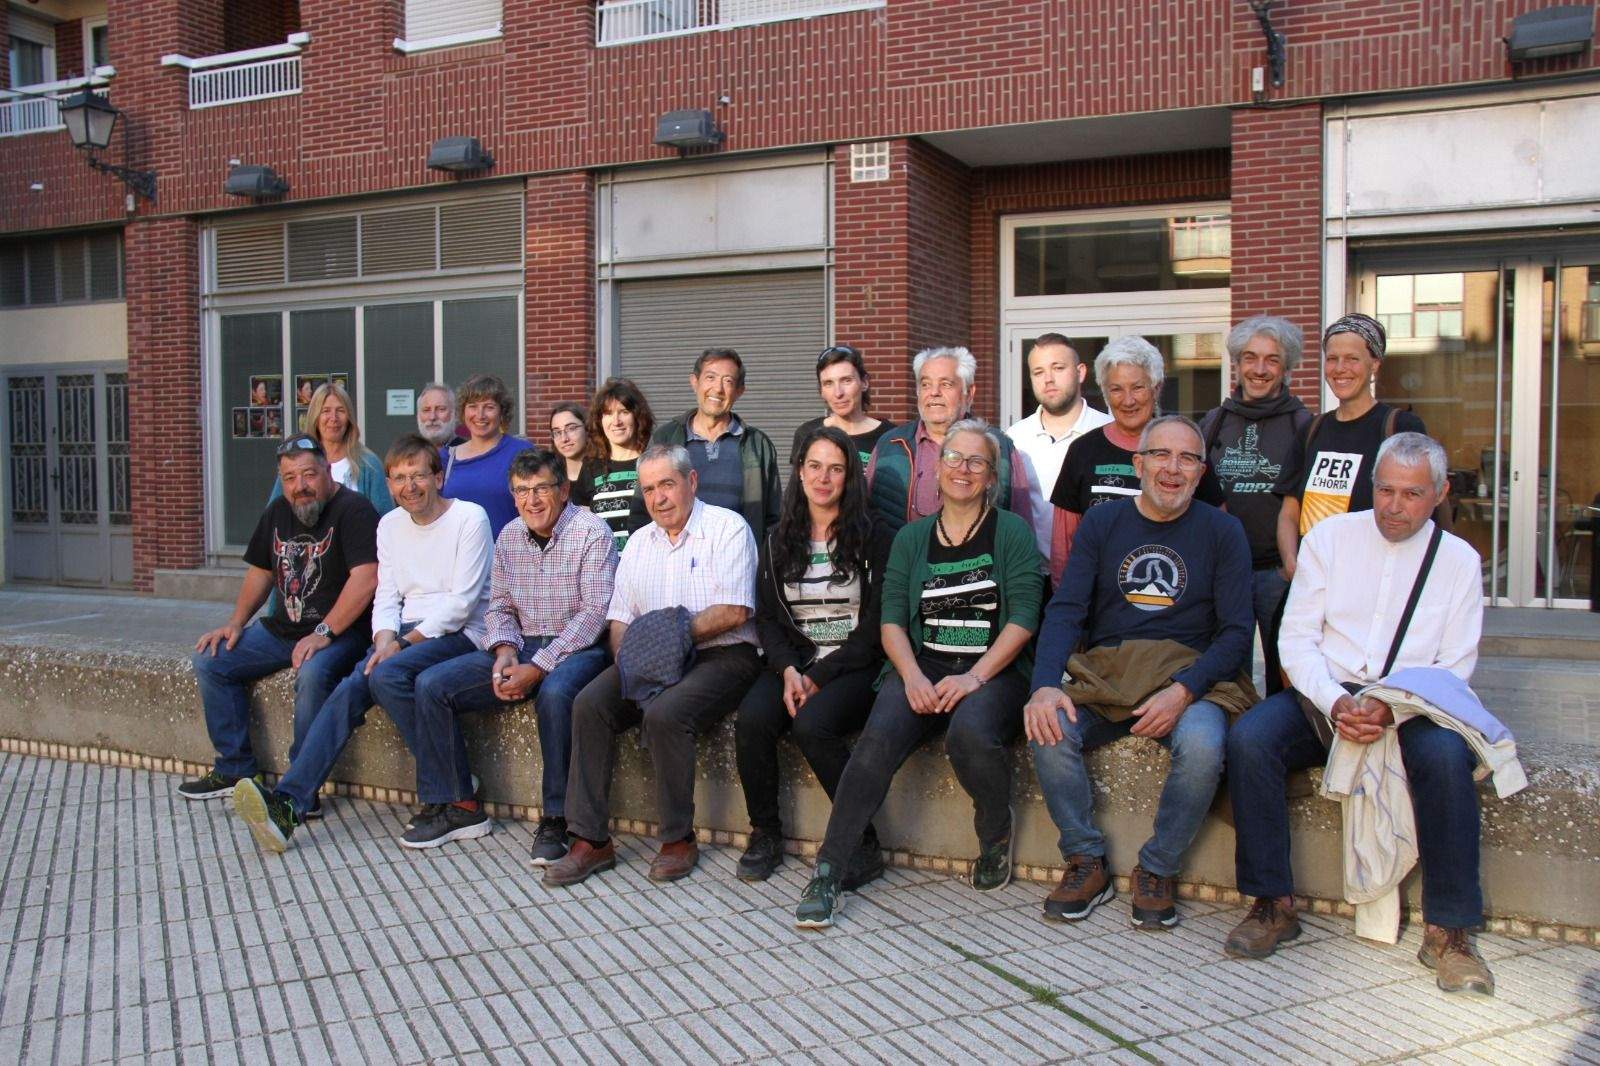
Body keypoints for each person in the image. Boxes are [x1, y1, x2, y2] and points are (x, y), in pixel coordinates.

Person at [1226, 433, 1494, 995]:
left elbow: (1454, 666)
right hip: (1330, 696)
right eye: (1385, 490)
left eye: (1412, 494)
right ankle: (1272, 902)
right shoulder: (1330, 537)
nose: (1394, 507)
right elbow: (1296, 640)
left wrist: (1390, 710)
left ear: (1440, 492)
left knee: (1447, 758)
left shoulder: (1460, 561)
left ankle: (1449, 930)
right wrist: (1337, 701)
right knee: (1252, 738)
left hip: (1413, 704)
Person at [795, 420, 1043, 928]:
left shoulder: (1010, 531)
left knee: (970, 734)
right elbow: (890, 620)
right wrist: (909, 677)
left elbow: (1023, 618)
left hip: (992, 670)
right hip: (921, 665)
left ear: (992, 476)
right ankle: (829, 869)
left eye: (977, 461)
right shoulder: (911, 538)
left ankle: (994, 833)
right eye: (954, 458)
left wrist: (975, 678)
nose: (963, 470)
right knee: (875, 743)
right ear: (937, 468)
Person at [1025, 414, 1253, 931]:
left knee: (1202, 746)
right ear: (1139, 464)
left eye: (1187, 458)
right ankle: (1086, 860)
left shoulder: (1223, 531)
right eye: (1160, 455)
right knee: (1048, 727)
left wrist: (1184, 690)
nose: (1172, 469)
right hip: (1109, 677)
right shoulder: (1103, 524)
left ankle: (1158, 867)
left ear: (1200, 472)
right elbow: (1066, 610)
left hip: (1192, 681)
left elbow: (1237, 633)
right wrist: (1042, 684)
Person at [229, 435, 495, 852]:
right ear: (388, 485)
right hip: (405, 632)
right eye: (400, 478)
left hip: (463, 633)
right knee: (353, 686)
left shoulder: (469, 519)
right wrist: (385, 638)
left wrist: (400, 646)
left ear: (438, 477)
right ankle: (288, 805)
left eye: (419, 476)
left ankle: (456, 791)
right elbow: (386, 596)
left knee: (384, 675)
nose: (410, 486)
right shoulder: (389, 525)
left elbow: (462, 604)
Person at [546, 444, 762, 886]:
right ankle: (590, 839)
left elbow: (735, 611)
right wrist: (636, 665)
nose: (659, 498)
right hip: (651, 657)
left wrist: (668, 640)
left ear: (692, 482)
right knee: (589, 703)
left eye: (668, 484)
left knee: (667, 713)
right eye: (649, 490)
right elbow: (621, 621)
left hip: (724, 655)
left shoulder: (728, 528)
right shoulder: (639, 544)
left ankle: (677, 839)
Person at [406, 448, 617, 860]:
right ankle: (457, 803)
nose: (532, 500)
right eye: (522, 491)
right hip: (521, 645)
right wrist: (504, 651)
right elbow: (498, 607)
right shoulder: (509, 535)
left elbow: (595, 614)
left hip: (580, 648)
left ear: (564, 490)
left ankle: (557, 820)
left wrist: (537, 667)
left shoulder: (592, 532)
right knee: (432, 685)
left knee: (556, 696)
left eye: (541, 488)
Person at [734, 426, 894, 883]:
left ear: (850, 476)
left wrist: (819, 677)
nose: (824, 478)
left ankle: (861, 841)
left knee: (813, 724)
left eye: (836, 468)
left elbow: (877, 626)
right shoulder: (775, 539)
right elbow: (767, 617)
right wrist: (787, 669)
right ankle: (765, 832)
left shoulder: (874, 537)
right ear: (800, 472)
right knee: (753, 719)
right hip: (795, 661)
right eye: (814, 466)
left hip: (854, 664)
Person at [180, 436, 379, 801]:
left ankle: (300, 788)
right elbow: (261, 572)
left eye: (308, 475)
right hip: (282, 629)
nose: (300, 486)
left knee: (313, 673)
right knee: (212, 660)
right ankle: (235, 770)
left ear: (326, 470)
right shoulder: (278, 512)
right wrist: (236, 622)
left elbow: (366, 578)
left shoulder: (355, 510)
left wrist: (324, 632)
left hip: (342, 633)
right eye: (289, 478)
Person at [1049, 336, 1224, 583]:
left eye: (1138, 387)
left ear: (1157, 387)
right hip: (1100, 604)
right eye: (1116, 389)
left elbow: (1218, 530)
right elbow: (1063, 542)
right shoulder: (1083, 450)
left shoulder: (1186, 447)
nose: (1128, 400)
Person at [1274, 313, 1439, 576]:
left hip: (1375, 579)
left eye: (1352, 358)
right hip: (1315, 577)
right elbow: (1290, 511)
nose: (1340, 368)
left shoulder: (1400, 427)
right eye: (1332, 358)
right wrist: (1292, 562)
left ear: (1374, 364)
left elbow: (1422, 508)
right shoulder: (1311, 430)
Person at [1199, 317, 1311, 695]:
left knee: (1287, 671)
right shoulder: (1214, 422)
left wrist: (1292, 567)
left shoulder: (1305, 425)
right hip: (1225, 572)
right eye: (1250, 358)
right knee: (1229, 674)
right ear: (1237, 362)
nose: (1259, 370)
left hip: (1278, 575)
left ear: (1286, 367)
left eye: (1271, 360)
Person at [865, 346, 1033, 536]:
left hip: (978, 564)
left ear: (969, 393)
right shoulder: (890, 444)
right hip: (900, 563)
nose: (934, 392)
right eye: (925, 384)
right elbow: (865, 517)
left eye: (945, 384)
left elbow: (1022, 524)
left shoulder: (1000, 447)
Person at [641, 347, 781, 538]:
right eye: (710, 378)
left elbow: (773, 519)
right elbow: (642, 507)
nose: (718, 388)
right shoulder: (666, 438)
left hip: (739, 557)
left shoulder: (757, 445)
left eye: (728, 381)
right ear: (694, 382)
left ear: (740, 391)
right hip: (675, 556)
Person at [1005, 333, 1112, 562]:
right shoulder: (1014, 438)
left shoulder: (1107, 432)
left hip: (1097, 569)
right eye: (1038, 372)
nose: (1048, 379)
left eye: (1058, 368)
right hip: (1034, 574)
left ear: (1080, 372)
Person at [269, 381, 392, 514]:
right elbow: (273, 514)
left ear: (349, 417)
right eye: (325, 411)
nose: (333, 418)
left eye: (340, 410)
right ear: (315, 417)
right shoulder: (294, 462)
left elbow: (384, 521)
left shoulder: (369, 465)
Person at [442, 373, 533, 536]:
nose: (480, 415)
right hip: (457, 558)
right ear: (463, 411)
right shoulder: (446, 458)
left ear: (502, 412)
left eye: (489, 407)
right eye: (472, 406)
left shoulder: (521, 452)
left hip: (508, 556)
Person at [571, 377, 654, 553]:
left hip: (646, 567)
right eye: (608, 413)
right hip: (603, 570)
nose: (616, 421)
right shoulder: (590, 467)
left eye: (623, 412)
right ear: (599, 420)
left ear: (638, 416)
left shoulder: (653, 462)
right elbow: (580, 528)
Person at [791, 344, 888, 469]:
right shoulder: (807, 433)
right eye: (828, 383)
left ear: (864, 383)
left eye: (846, 380)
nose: (838, 393)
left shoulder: (890, 437)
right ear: (821, 391)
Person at [549, 402, 589, 485]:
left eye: (571, 429)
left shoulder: (604, 473)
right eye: (557, 432)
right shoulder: (550, 478)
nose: (564, 439)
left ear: (587, 429)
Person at [416, 382, 464, 448]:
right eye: (426, 410)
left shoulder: (469, 454)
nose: (432, 417)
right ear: (418, 415)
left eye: (441, 409)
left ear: (455, 414)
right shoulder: (408, 454)